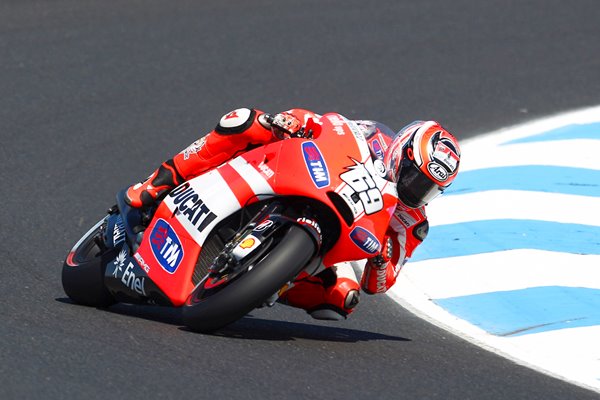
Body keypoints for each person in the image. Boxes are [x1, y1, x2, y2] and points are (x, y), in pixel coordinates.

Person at [125, 108, 461, 320]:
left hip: (339, 241)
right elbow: (323, 123)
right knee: (244, 121)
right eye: (414, 177)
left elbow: (382, 284)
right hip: (303, 179)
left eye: (428, 188)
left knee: (345, 298)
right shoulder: (369, 137)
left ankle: (262, 285)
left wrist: (379, 259)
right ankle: (154, 185)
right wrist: (288, 122)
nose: (416, 190)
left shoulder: (411, 222)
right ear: (401, 151)